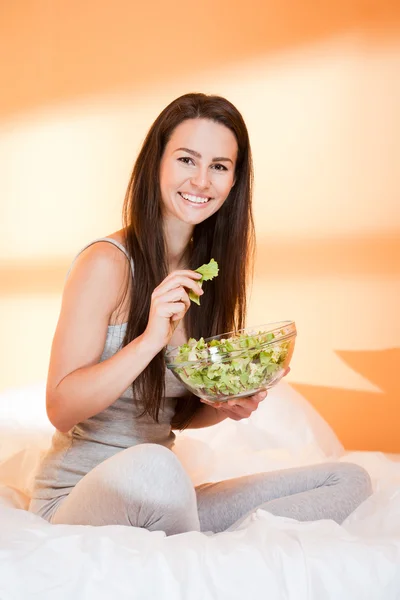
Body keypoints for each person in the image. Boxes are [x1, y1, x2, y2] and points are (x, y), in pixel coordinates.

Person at [29, 93, 372, 535]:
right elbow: (60, 408)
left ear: (234, 182)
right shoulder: (107, 263)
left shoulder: (206, 274)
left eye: (219, 166)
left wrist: (223, 405)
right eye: (187, 160)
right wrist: (150, 338)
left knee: (347, 479)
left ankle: (203, 549)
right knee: (157, 466)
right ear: (157, 164)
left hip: (168, 497)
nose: (202, 181)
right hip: (77, 499)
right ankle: (196, 548)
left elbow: (172, 414)